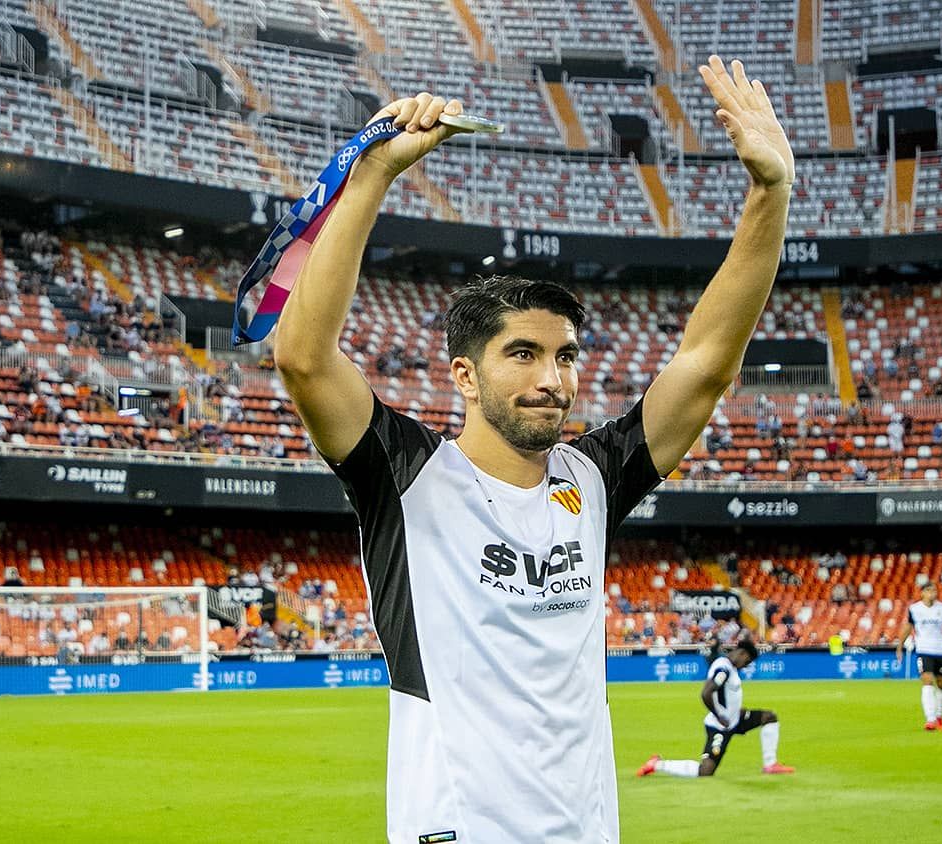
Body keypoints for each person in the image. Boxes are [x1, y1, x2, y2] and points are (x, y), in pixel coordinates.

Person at [272, 55, 794, 842]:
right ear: (465, 375)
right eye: (522, 354)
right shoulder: (406, 475)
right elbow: (304, 357)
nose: (553, 379)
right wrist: (373, 173)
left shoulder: (593, 474)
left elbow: (706, 362)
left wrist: (770, 194)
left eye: (566, 356)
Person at [636, 639, 795, 778]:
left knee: (769, 717)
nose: (745, 666)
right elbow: (706, 693)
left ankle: (770, 765)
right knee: (705, 771)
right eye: (747, 662)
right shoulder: (723, 669)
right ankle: (657, 764)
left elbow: (725, 694)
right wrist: (719, 715)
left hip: (735, 719)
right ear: (743, 654)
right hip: (720, 726)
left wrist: (735, 710)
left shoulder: (728, 667)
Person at [894, 582, 942, 731]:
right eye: (929, 591)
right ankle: (930, 719)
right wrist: (899, 646)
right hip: (923, 650)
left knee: (941, 684)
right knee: (927, 680)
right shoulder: (914, 609)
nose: (932, 594)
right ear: (922, 593)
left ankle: (939, 715)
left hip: (940, 650)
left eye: (934, 591)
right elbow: (908, 627)